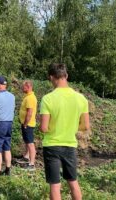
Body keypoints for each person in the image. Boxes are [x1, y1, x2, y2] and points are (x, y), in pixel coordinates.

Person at [40, 63, 90, 200]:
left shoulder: (47, 99)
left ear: (51, 77)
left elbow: (44, 128)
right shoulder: (81, 99)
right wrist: (71, 126)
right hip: (70, 145)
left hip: (52, 145)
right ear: (66, 76)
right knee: (73, 182)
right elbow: (85, 126)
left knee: (55, 185)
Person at [17, 80, 37, 170]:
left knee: (30, 143)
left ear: (28, 87)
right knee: (27, 141)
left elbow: (29, 113)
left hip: (28, 124)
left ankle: (32, 164)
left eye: (23, 87)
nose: (22, 88)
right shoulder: (28, 97)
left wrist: (25, 123)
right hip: (26, 123)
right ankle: (26, 157)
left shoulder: (30, 98)